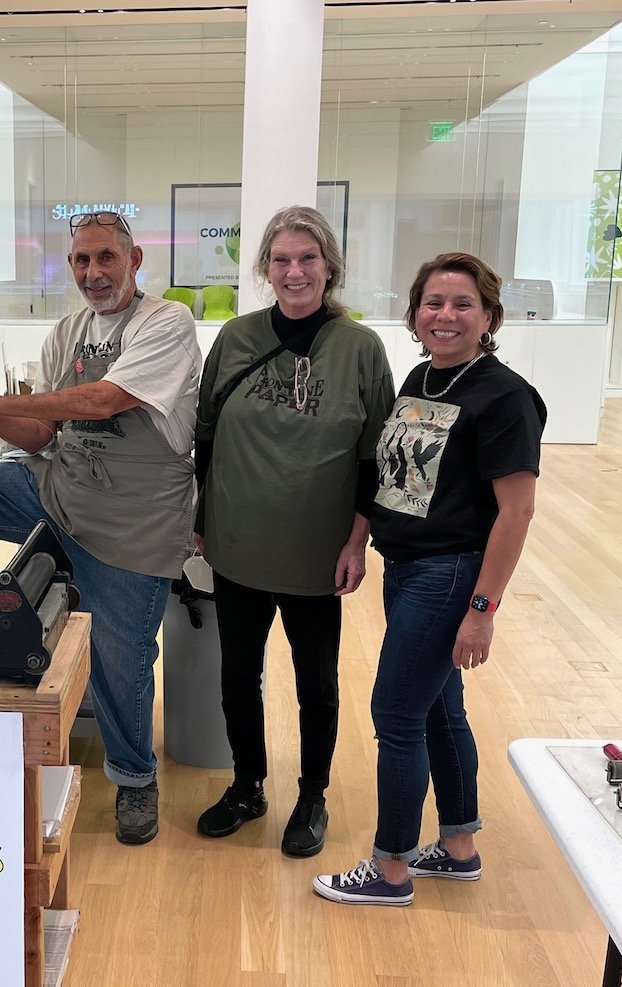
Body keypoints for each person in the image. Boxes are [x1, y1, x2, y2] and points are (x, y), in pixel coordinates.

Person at [0, 210, 200, 845]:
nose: (93, 272)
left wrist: (1, 403)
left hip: (135, 520)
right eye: (81, 261)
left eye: (106, 258)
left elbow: (107, 399)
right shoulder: (67, 331)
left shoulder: (166, 322)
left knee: (122, 656)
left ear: (135, 262)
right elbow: (38, 433)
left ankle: (134, 777)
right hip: (61, 491)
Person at [313, 251, 544, 906]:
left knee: (395, 714)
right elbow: (392, 478)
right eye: (433, 303)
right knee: (440, 708)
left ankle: (390, 868)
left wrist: (483, 608)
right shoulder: (422, 378)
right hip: (407, 567)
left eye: (462, 304)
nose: (445, 315)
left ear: (488, 316)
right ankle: (459, 846)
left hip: (450, 574)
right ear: (415, 314)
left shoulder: (503, 397)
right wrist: (360, 541)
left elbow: (517, 510)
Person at [193, 206, 395, 857]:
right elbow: (204, 436)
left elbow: (376, 456)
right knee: (237, 675)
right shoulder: (236, 338)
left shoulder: (361, 349)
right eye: (281, 259)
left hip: (316, 553)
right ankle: (248, 785)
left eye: (308, 258)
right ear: (265, 270)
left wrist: (357, 539)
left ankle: (313, 796)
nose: (295, 270)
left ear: (329, 266)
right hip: (238, 545)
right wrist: (201, 525)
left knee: (317, 682)